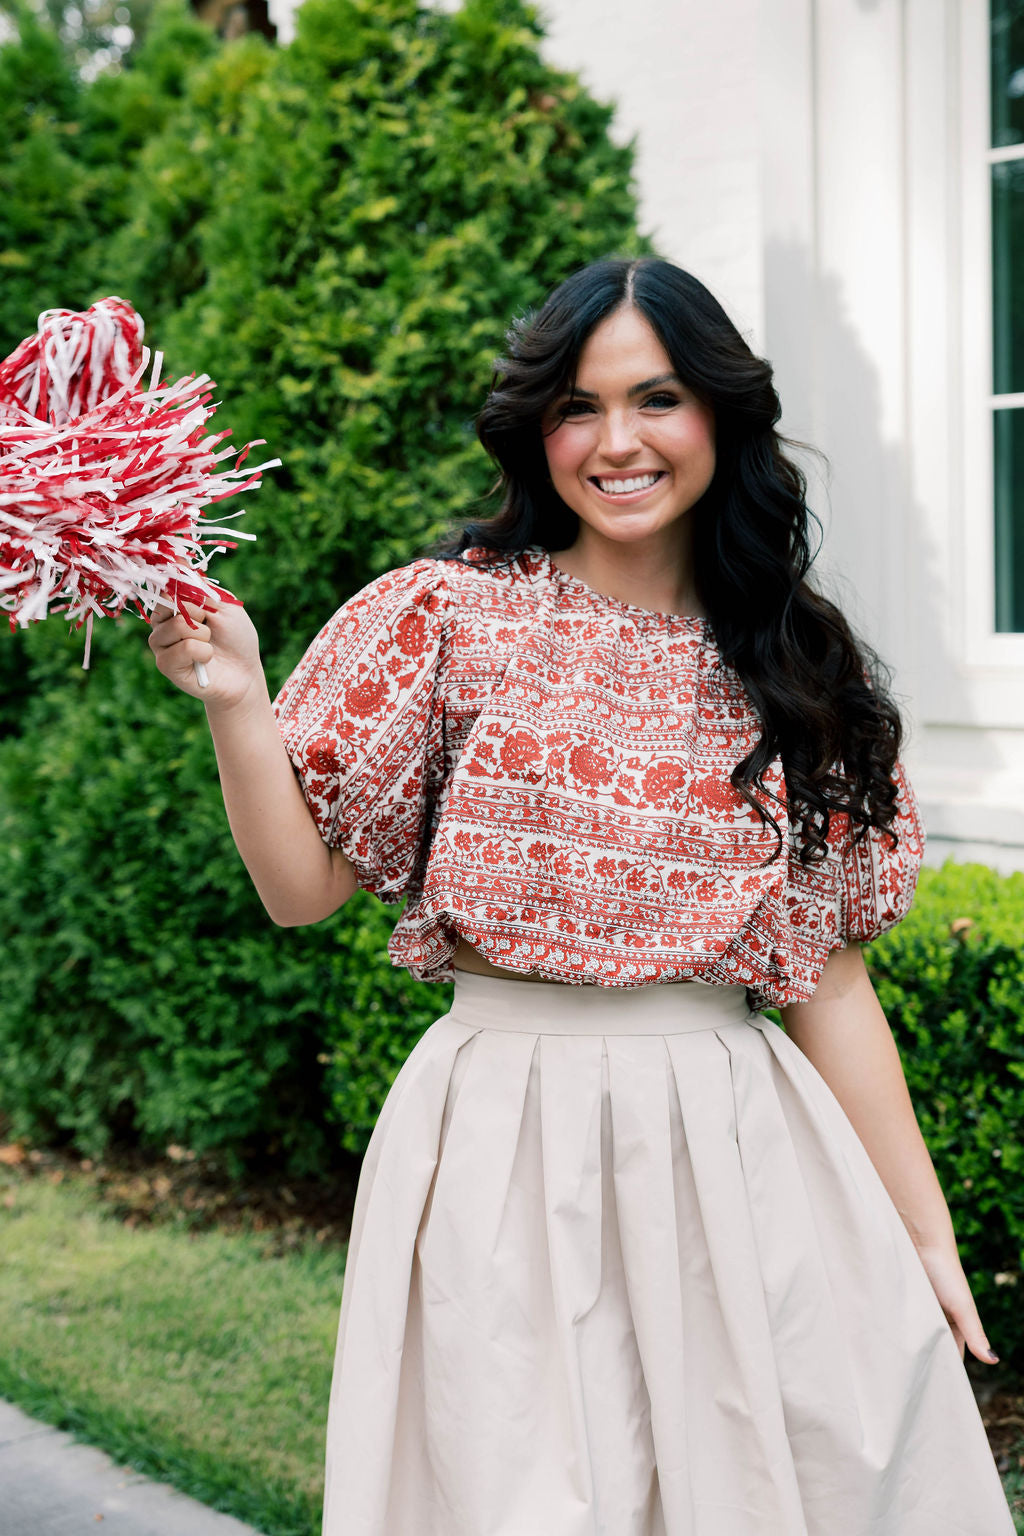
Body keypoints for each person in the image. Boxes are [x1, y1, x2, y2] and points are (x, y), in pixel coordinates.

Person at [148, 257, 1015, 1536]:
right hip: (500, 1141)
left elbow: (829, 981)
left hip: (736, 1148)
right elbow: (298, 891)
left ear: (719, 414)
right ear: (535, 430)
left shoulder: (795, 663)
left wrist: (921, 1236)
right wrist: (237, 697)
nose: (617, 443)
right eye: (576, 407)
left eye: (656, 398)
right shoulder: (443, 618)